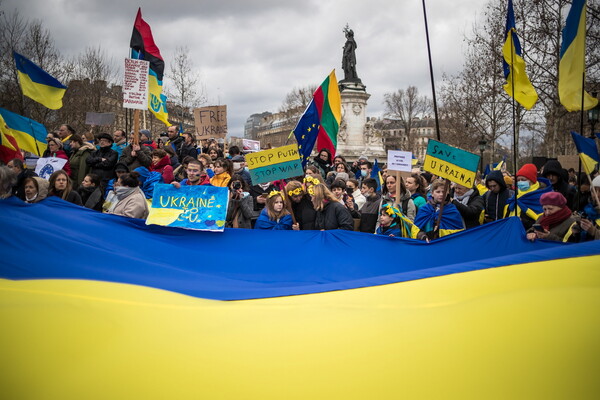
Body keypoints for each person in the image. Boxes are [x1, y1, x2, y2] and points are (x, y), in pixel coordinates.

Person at [505, 163, 552, 230]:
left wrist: (523, 222)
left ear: (532, 180)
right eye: (518, 180)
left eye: (523, 180)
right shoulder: (516, 196)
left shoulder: (541, 197)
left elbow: (544, 221)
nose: (520, 182)